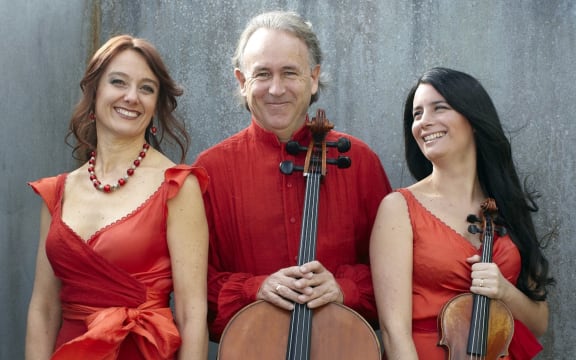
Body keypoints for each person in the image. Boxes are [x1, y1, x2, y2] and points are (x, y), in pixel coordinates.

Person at [193, 10, 392, 341]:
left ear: (313, 78)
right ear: (242, 82)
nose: (275, 89)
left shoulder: (360, 162)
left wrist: (344, 289)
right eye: (262, 74)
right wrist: (254, 288)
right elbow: (192, 289)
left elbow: (398, 277)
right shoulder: (210, 170)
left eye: (289, 73)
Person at [25, 35, 209, 359]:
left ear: (155, 105)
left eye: (146, 88)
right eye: (118, 82)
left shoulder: (177, 187)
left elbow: (192, 314)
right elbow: (43, 308)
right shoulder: (57, 192)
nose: (131, 97)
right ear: (95, 91)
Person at [370, 67, 554, 359]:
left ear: (474, 119)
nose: (424, 123)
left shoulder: (506, 205)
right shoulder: (398, 208)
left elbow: (539, 321)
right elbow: (394, 331)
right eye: (417, 115)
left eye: (439, 108)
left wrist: (504, 291)